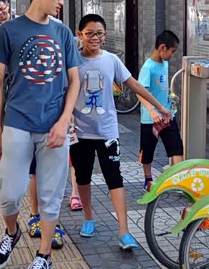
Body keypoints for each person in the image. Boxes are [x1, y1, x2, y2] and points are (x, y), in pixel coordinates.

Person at [0, 0, 82, 269]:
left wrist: (64, 120)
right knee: (9, 193)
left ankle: (44, 255)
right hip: (17, 122)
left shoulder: (63, 33)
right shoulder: (8, 31)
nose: (61, 2)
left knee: (50, 195)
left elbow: (75, 81)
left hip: (54, 126)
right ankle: (12, 232)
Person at [72, 14, 172, 249]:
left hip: (107, 132)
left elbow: (134, 84)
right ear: (80, 35)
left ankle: (124, 232)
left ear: (105, 35)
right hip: (79, 132)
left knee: (114, 179)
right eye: (89, 33)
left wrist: (159, 106)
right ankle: (88, 219)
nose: (94, 38)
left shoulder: (111, 60)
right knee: (82, 178)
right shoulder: (73, 60)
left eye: (99, 33)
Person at [138, 30, 184, 192]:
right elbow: (140, 93)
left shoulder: (165, 63)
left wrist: (172, 96)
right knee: (147, 150)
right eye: (173, 51)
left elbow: (162, 87)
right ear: (162, 48)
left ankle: (180, 181)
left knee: (176, 147)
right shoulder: (148, 68)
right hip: (151, 118)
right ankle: (148, 179)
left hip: (167, 115)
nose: (173, 55)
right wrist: (152, 111)